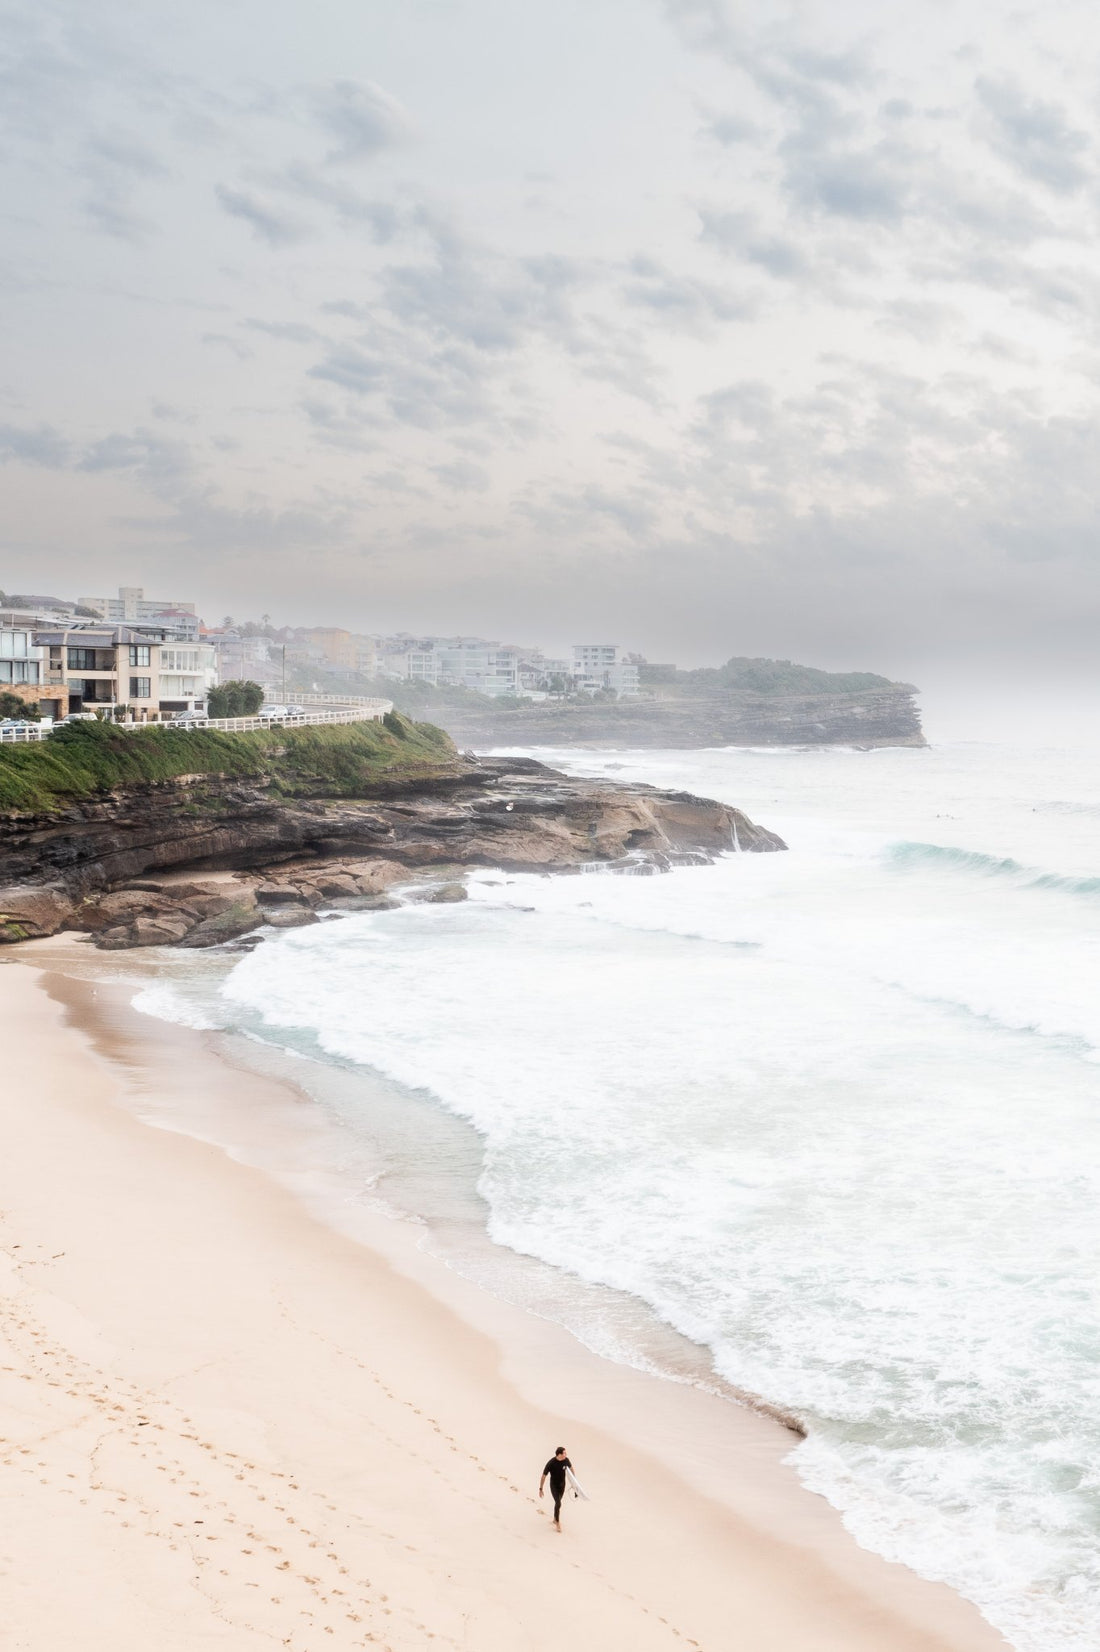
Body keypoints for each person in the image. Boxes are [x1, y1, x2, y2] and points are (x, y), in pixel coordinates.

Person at [538, 1446, 574, 1531]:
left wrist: (574, 1482)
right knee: (558, 1503)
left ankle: (555, 1518)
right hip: (554, 1485)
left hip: (562, 1485)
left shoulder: (566, 1460)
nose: (566, 1454)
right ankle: (557, 1523)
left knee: (558, 1503)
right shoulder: (551, 1463)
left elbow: (572, 1469)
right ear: (559, 1454)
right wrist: (541, 1489)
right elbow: (543, 1476)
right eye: (564, 1453)